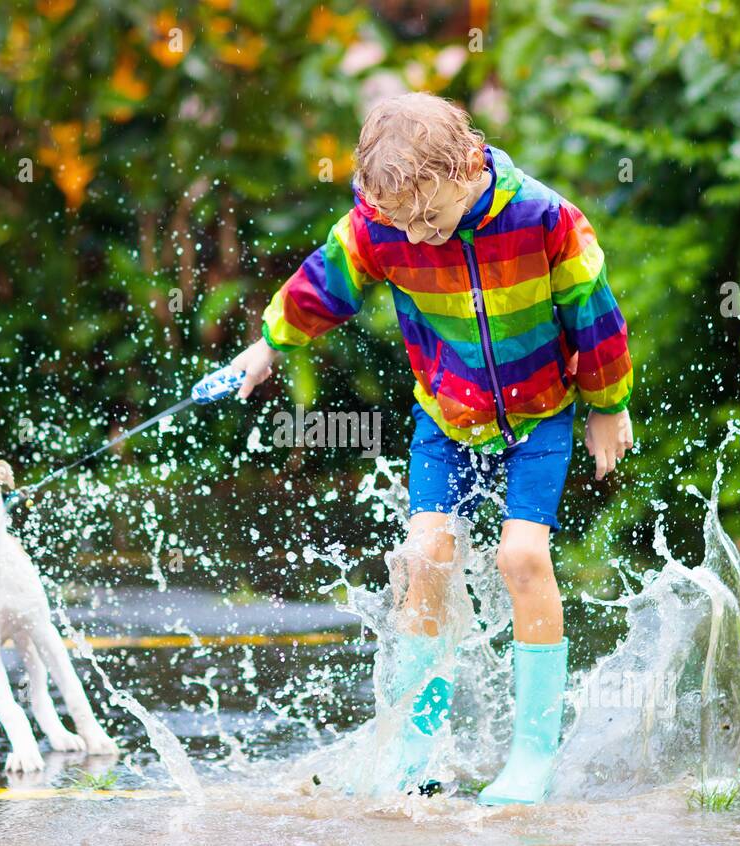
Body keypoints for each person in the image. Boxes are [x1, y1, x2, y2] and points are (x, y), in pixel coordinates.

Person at [230, 92, 634, 804]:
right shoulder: (383, 223)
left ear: (469, 164)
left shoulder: (546, 219)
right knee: (427, 558)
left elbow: (594, 312)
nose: (418, 238)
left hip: (539, 415)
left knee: (521, 556)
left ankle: (532, 757)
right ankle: (417, 747)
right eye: (403, 224)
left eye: (430, 219)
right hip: (446, 418)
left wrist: (608, 403)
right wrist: (270, 345)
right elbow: (327, 280)